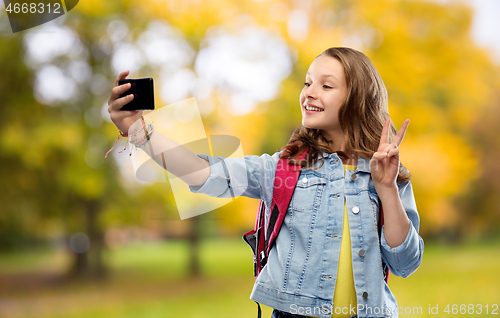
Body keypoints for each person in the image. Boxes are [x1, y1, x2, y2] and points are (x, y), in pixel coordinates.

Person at [107, 47, 424, 318]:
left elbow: (404, 263)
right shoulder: (284, 168)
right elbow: (204, 173)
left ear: (357, 98)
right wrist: (139, 132)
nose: (309, 92)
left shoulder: (387, 173)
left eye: (326, 86)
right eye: (308, 82)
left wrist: (386, 188)